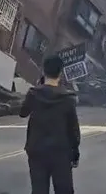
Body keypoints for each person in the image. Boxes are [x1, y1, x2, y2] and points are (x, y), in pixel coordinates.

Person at [20, 55, 80, 194]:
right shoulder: (68, 98)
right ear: (60, 72)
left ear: (43, 71)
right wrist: (75, 151)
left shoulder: (34, 94)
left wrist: (38, 86)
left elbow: (23, 112)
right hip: (61, 152)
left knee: (39, 189)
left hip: (36, 150)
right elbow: (73, 129)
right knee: (64, 189)